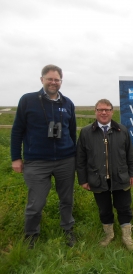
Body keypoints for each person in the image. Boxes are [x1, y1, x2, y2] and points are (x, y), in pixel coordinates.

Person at [11, 64, 77, 248]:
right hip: (36, 162)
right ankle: (31, 234)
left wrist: (76, 157)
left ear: (61, 82)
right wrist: (16, 157)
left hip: (65, 160)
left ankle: (68, 229)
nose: (53, 82)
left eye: (57, 79)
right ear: (42, 80)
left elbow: (72, 133)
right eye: (50, 79)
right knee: (36, 202)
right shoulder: (28, 100)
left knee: (67, 199)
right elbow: (17, 130)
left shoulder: (67, 103)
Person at [76, 99, 133, 250]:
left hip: (120, 177)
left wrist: (132, 174)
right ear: (95, 111)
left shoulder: (122, 130)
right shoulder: (85, 132)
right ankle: (109, 235)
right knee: (104, 209)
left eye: (107, 109)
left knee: (124, 207)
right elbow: (80, 158)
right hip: (97, 178)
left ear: (112, 111)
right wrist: (83, 179)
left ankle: (126, 236)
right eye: (100, 109)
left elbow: (130, 155)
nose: (104, 112)